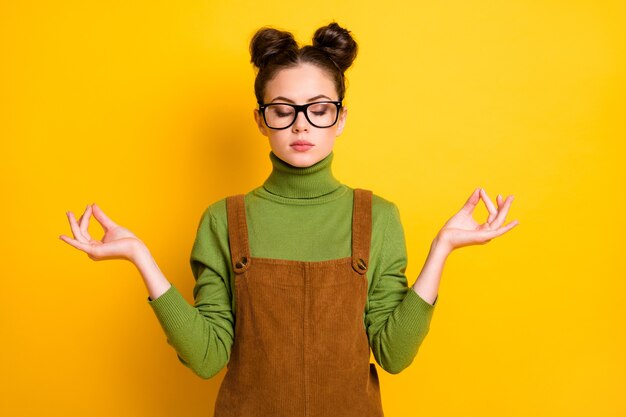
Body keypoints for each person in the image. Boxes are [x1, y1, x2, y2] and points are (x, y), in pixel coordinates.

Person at [60, 22, 518, 417]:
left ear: (340, 119)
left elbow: (394, 355)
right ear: (261, 120)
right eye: (283, 111)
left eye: (319, 110)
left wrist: (443, 249)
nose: (302, 126)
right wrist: (139, 257)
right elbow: (205, 358)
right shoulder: (224, 220)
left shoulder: (377, 217)